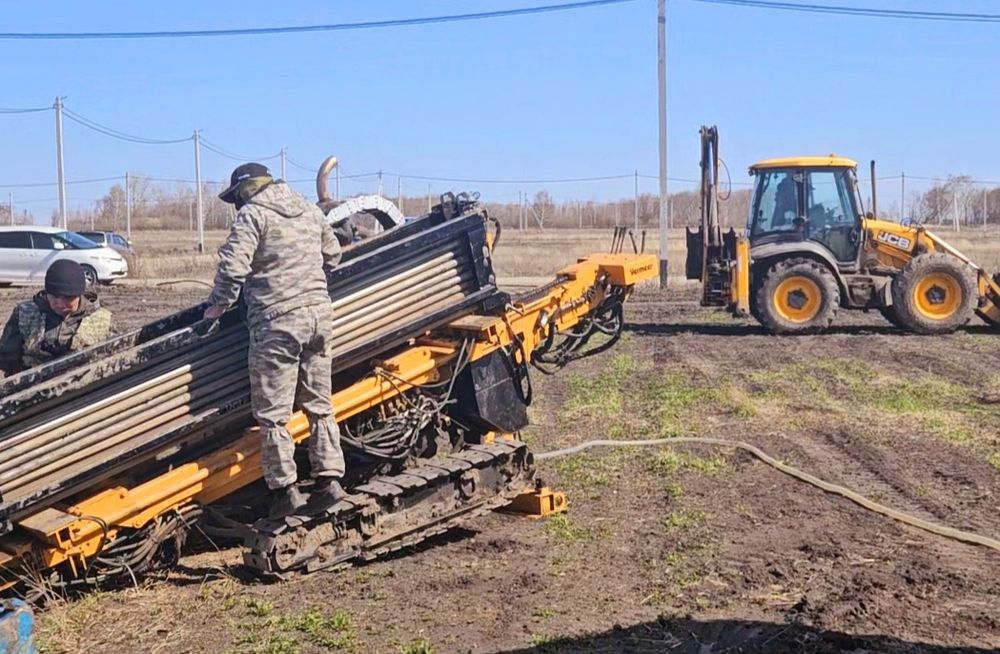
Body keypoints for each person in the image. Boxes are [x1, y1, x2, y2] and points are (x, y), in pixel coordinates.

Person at [205, 162, 345, 519]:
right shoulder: (308, 209)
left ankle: (285, 491)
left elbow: (233, 267)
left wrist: (218, 305)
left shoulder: (252, 215)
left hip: (277, 321)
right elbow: (334, 254)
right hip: (319, 317)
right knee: (319, 403)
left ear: (244, 190)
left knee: (273, 414)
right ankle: (329, 480)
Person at [0, 260, 113, 377]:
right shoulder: (25, 314)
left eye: (67, 298)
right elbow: (7, 359)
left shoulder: (102, 319)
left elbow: (113, 358)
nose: (60, 304)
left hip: (86, 383)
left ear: (79, 295)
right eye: (54, 296)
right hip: (35, 383)